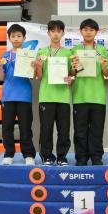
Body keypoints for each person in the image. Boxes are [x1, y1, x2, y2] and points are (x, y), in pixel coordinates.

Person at [71, 18, 108, 166]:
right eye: (85, 29)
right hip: (80, 96)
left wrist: (105, 65)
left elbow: (106, 74)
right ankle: (81, 158)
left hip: (98, 96)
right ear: (81, 32)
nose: (88, 32)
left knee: (97, 130)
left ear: (96, 32)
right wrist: (74, 67)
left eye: (91, 30)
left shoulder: (102, 50)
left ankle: (96, 157)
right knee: (80, 130)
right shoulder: (74, 50)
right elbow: (72, 74)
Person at [34, 20, 73, 166]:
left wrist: (71, 79)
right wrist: (38, 66)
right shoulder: (41, 52)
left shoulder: (68, 53)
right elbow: (39, 76)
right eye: (53, 31)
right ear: (48, 33)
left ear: (63, 33)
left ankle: (62, 156)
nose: (56, 34)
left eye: (59, 31)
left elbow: (71, 75)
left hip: (63, 97)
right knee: (46, 129)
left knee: (64, 130)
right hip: (46, 96)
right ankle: (47, 156)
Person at [0, 24, 36, 165]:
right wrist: (0, 68)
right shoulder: (5, 55)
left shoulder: (29, 54)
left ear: (24, 38)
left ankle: (28, 154)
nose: (16, 38)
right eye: (13, 36)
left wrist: (34, 67)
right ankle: (9, 153)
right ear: (9, 38)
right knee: (7, 127)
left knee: (25, 127)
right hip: (8, 96)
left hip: (24, 96)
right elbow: (2, 77)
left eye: (19, 36)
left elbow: (32, 77)